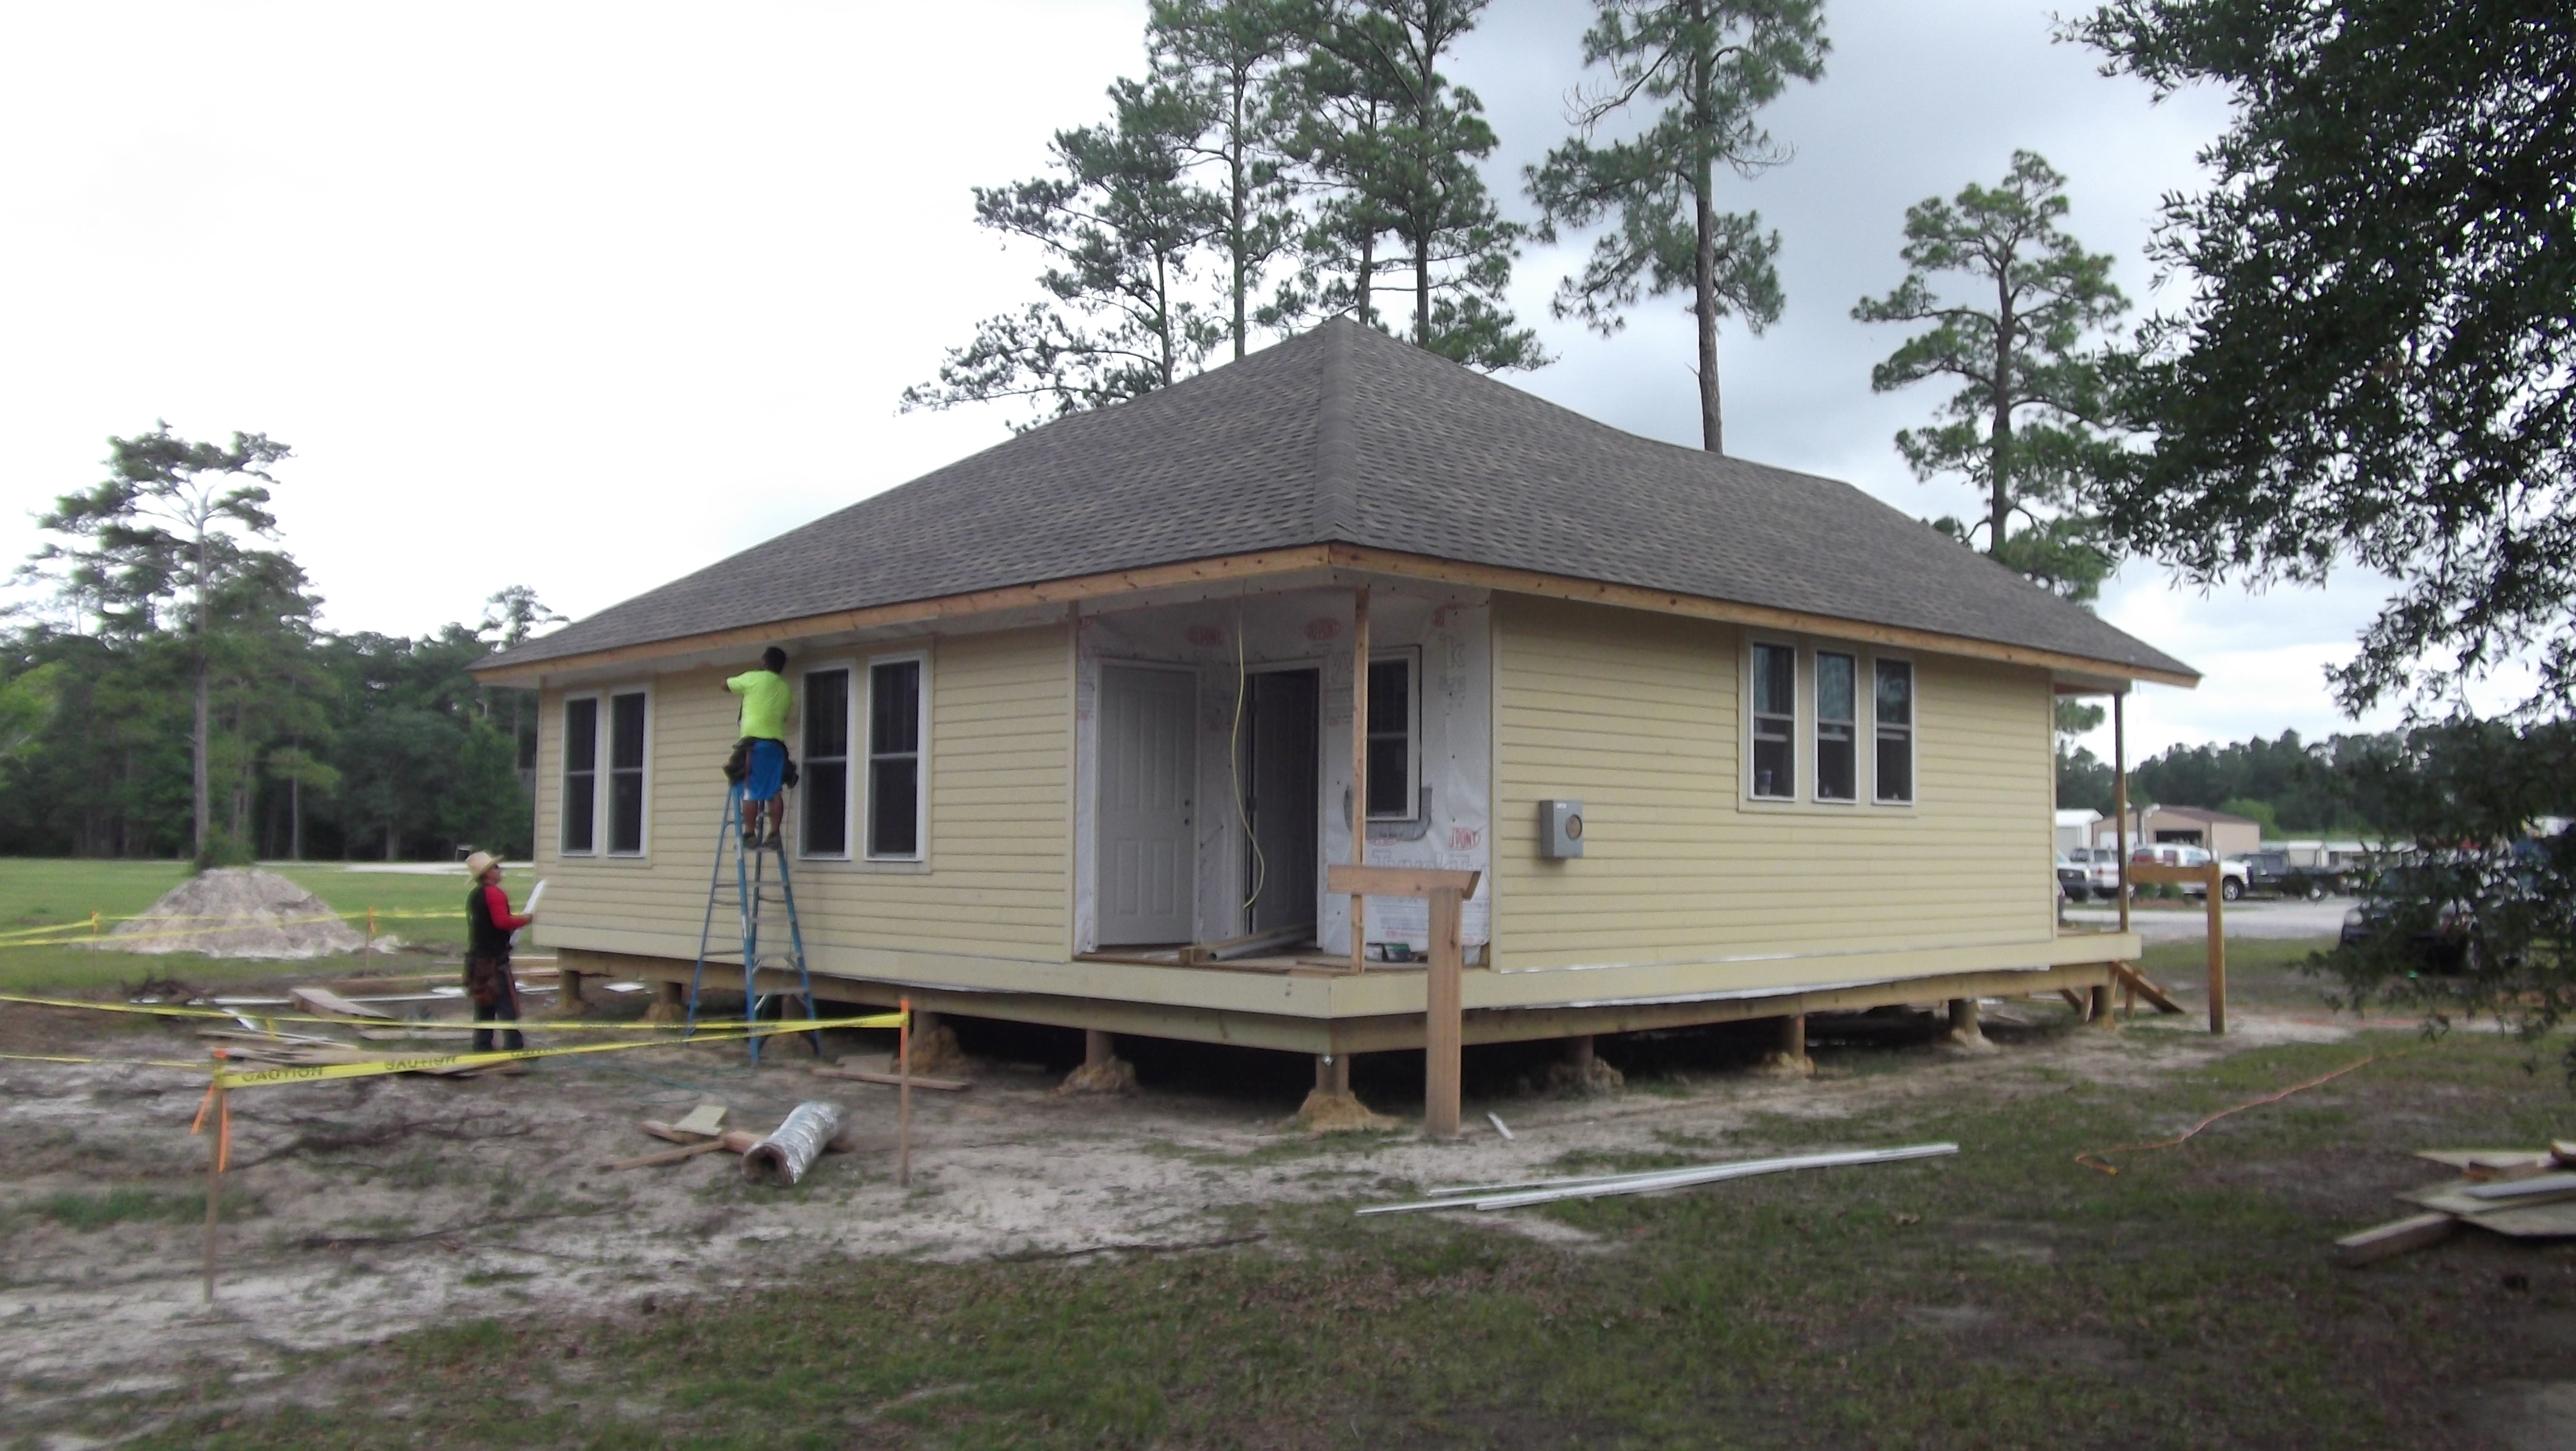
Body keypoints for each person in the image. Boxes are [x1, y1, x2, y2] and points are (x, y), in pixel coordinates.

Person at [462, 850, 533, 1055]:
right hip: (495, 960)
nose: (499, 870)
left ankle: (482, 1045)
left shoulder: (475, 895)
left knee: (485, 1002)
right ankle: (514, 1046)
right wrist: (526, 920)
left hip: (479, 957)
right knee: (507, 1004)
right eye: (495, 868)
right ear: (488, 873)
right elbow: (502, 922)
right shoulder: (494, 894)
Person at [725, 645, 794, 849]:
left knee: (750, 789)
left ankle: (749, 834)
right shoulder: (786, 689)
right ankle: (774, 834)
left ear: (764, 661)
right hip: (777, 747)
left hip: (755, 744)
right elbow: (783, 715)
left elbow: (725, 685)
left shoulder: (753, 678)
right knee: (774, 790)